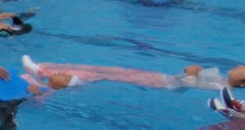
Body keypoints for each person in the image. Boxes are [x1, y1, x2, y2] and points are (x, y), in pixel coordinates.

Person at [21, 54, 245, 92]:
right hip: (160, 79)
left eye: (242, 68)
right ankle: (43, 68)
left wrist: (193, 71)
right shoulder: (221, 80)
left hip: (161, 84)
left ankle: (58, 79)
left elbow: (186, 82)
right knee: (106, 70)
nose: (238, 66)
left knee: (103, 75)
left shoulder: (221, 88)